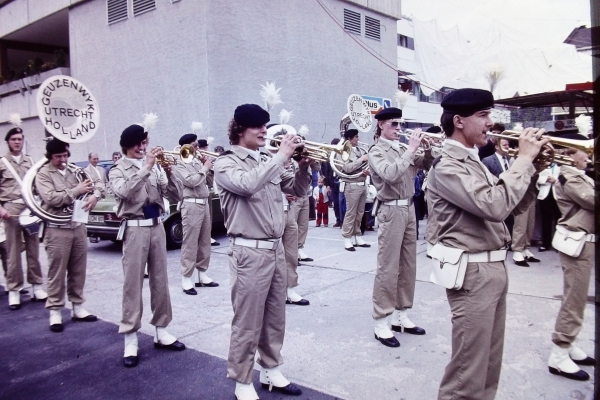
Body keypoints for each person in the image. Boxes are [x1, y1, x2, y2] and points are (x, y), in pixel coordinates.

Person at [427, 88, 546, 399]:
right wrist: (523, 160)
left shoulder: (473, 160)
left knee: (488, 369)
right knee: (466, 375)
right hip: (472, 273)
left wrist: (533, 171)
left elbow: (509, 207)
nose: (491, 123)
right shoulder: (447, 165)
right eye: (483, 115)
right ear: (459, 121)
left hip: (491, 268)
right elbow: (493, 205)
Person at [214, 104, 311, 400]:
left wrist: (304, 167)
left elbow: (296, 189)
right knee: (247, 321)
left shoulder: (267, 159)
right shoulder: (225, 163)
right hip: (248, 252)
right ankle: (242, 380)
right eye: (258, 127)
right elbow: (246, 185)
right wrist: (281, 156)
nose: (264, 132)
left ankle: (271, 369)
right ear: (240, 129)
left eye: (265, 126)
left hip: (275, 249)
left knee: (274, 316)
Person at [109, 121, 185, 368]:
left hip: (156, 226)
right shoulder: (117, 169)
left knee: (160, 280)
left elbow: (175, 195)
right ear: (128, 146)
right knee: (132, 284)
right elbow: (123, 192)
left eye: (145, 143)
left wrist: (170, 172)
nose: (144, 148)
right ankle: (130, 338)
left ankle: (161, 330)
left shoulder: (154, 168)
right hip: (134, 229)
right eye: (140, 144)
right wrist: (145, 168)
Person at [368, 107, 434, 348]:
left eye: (400, 124)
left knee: (408, 264)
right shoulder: (376, 150)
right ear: (381, 126)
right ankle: (380, 321)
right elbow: (390, 174)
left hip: (409, 208)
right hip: (391, 208)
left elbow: (426, 163)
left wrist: (427, 148)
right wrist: (412, 149)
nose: (399, 129)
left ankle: (401, 314)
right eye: (394, 124)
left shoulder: (402, 148)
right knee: (388, 266)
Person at [35, 139, 99, 332]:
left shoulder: (74, 170)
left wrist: (94, 195)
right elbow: (51, 198)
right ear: (50, 157)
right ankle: (55, 309)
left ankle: (77, 306)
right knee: (57, 271)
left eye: (65, 155)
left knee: (78, 269)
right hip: (56, 228)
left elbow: (96, 185)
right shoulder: (43, 174)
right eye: (58, 157)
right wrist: (76, 191)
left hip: (78, 225)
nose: (63, 160)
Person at [547, 133, 595, 381]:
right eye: (583, 151)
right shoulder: (568, 176)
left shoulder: (579, 175)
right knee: (573, 301)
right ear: (568, 153)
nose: (587, 155)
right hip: (577, 244)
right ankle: (559, 353)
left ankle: (570, 344)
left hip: (584, 244)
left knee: (575, 298)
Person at [0, 120, 46, 309]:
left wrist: (41, 206)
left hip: (30, 209)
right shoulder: (2, 163)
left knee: (34, 248)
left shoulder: (30, 162)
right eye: (14, 139)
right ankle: (14, 289)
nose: (17, 142)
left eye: (20, 139)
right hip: (10, 210)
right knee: (12, 251)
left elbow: (37, 186)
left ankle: (36, 286)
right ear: (8, 142)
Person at [174, 133, 218, 295]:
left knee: (205, 240)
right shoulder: (179, 164)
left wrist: (209, 168)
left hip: (204, 203)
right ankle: (186, 277)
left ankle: (202, 274)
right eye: (194, 145)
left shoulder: (196, 162)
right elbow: (191, 182)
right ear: (185, 147)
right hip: (191, 204)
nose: (197, 148)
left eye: (197, 145)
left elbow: (210, 183)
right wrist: (204, 168)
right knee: (190, 242)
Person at [339, 129, 370, 251]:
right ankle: (347, 237)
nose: (358, 139)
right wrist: (361, 159)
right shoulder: (344, 151)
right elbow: (346, 168)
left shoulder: (359, 150)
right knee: (351, 213)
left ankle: (357, 235)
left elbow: (364, 165)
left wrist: (367, 171)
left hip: (362, 183)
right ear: (349, 139)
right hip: (351, 185)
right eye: (356, 137)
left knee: (360, 213)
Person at [482, 136, 515, 239]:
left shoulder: (511, 159)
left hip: (509, 193)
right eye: (504, 145)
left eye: (508, 145)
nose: (507, 147)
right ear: (496, 146)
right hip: (496, 194)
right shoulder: (487, 160)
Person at [537, 163, 561, 251]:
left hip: (558, 195)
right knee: (545, 220)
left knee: (559, 220)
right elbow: (536, 178)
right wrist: (546, 179)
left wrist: (556, 180)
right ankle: (545, 243)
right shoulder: (542, 163)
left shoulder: (562, 165)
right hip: (544, 195)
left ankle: (558, 244)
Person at [321, 138, 342, 227]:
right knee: (335, 203)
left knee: (341, 203)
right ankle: (338, 220)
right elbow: (327, 172)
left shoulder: (342, 156)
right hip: (333, 182)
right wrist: (327, 185)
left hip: (341, 181)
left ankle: (342, 221)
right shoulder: (329, 157)